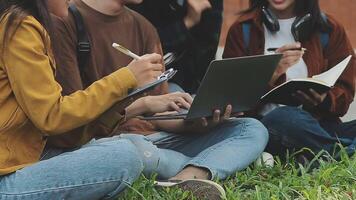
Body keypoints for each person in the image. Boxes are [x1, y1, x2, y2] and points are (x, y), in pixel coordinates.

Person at [51, 0, 269, 199]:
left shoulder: (143, 26)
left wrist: (194, 122)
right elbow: (72, 119)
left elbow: (157, 113)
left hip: (155, 137)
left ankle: (186, 177)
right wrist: (143, 104)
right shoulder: (65, 22)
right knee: (129, 155)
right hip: (111, 143)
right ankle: (220, 162)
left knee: (251, 129)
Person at [0, 0, 167, 199]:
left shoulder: (24, 23)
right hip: (7, 178)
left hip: (28, 158)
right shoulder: (20, 26)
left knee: (121, 148)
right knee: (124, 155)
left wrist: (121, 104)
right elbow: (52, 116)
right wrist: (126, 77)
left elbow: (64, 132)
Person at [223, 0, 356, 161]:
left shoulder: (329, 28)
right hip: (267, 126)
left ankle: (321, 153)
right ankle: (344, 153)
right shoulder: (242, 29)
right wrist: (272, 74)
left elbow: (345, 93)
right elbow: (231, 99)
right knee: (286, 116)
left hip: (319, 126)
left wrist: (324, 99)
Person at [130, 0, 223, 93]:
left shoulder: (211, 3)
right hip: (153, 79)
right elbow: (146, 45)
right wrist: (188, 22)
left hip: (193, 78)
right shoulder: (141, 4)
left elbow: (207, 51)